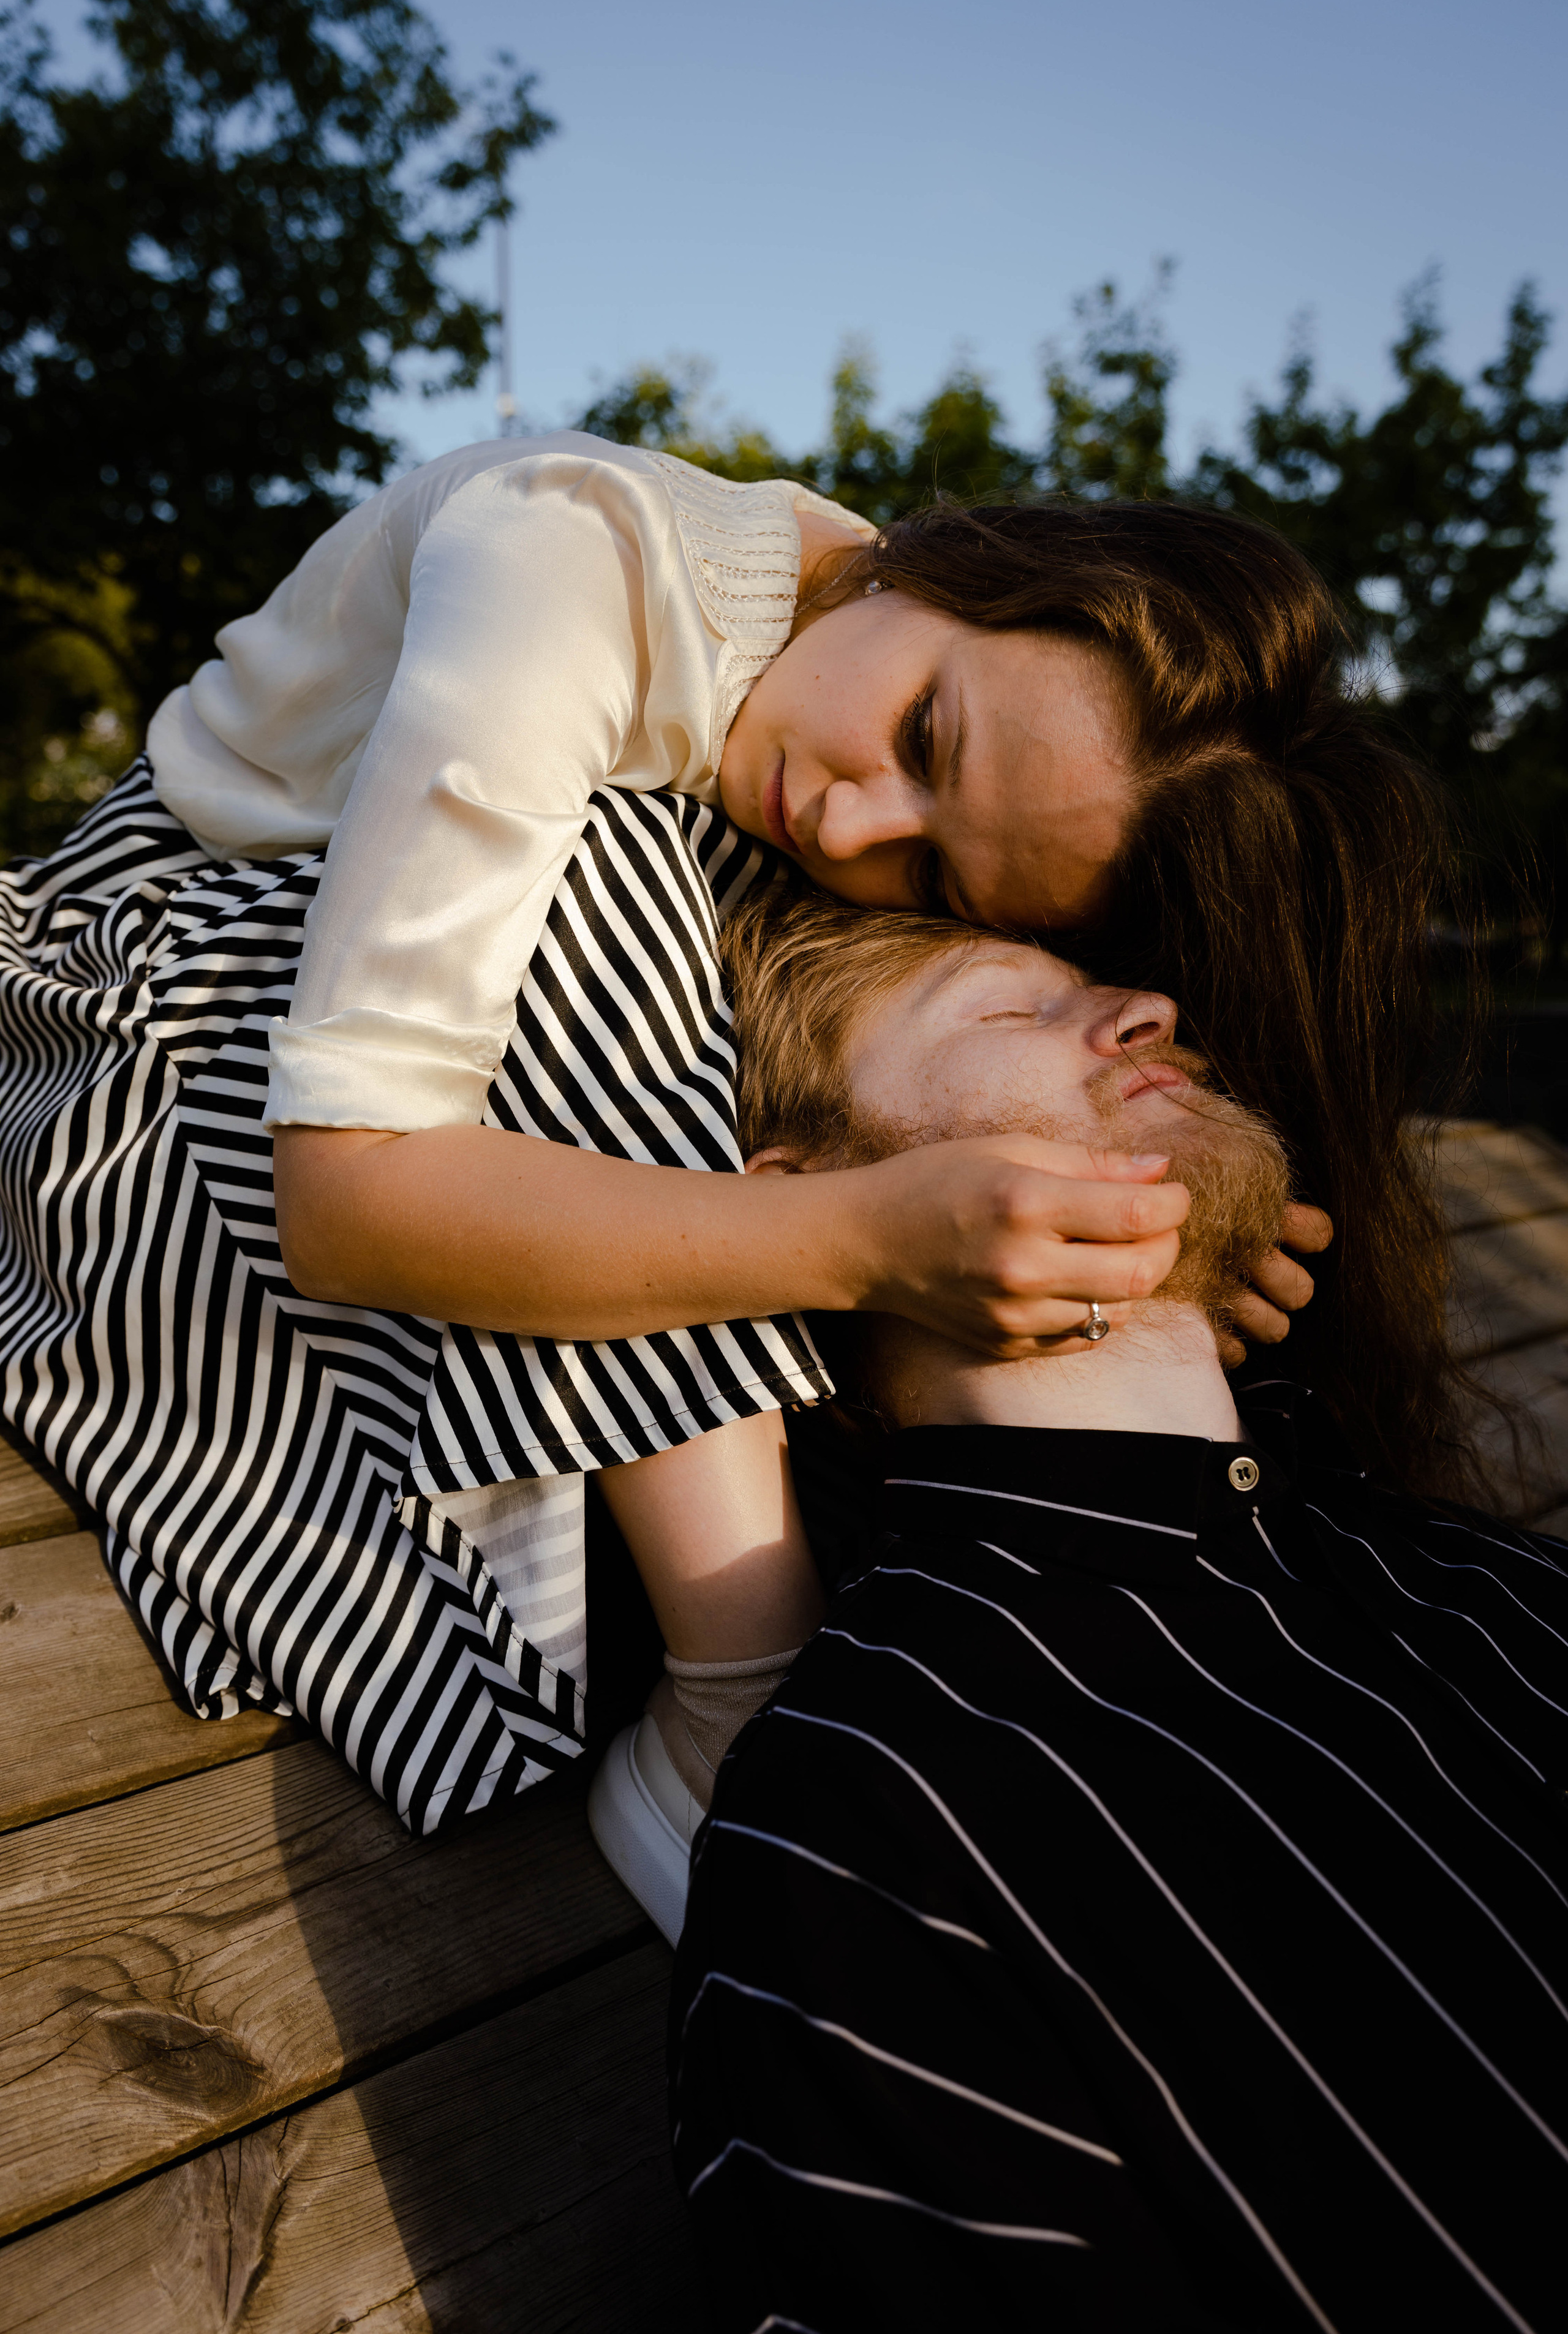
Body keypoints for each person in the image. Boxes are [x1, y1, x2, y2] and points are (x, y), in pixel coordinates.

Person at [0, 436, 1412, 1835]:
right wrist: (867, 1239)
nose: (853, 821)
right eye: (923, 736)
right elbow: (344, 1198)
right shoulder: (562, 561)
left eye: (933, 868)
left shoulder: (861, 660)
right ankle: (739, 1681)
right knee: (613, 872)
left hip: (380, 1079)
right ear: (950, 562)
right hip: (136, 1007)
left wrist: (1149, 1220)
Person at [669, 881, 1567, 2334]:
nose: (1147, 1012)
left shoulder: (1476, 1586)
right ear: (803, 1202)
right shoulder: (877, 1819)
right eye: (1007, 1007)